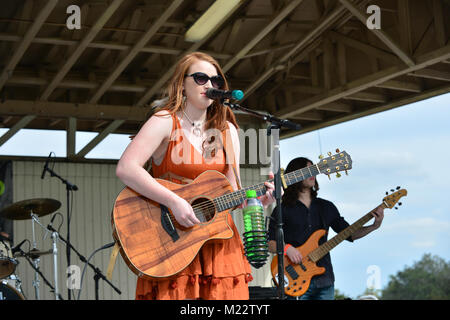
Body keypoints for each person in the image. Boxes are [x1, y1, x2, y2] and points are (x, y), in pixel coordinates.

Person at [115, 51, 276, 300]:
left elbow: (230, 195)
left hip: (220, 248)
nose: (210, 85)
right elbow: (127, 168)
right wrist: (173, 200)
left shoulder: (228, 131)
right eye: (201, 78)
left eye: (216, 81)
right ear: (182, 83)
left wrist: (257, 200)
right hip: (173, 245)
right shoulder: (164, 121)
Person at [268, 157, 384, 300]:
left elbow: (349, 234)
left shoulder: (326, 207)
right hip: (295, 280)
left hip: (325, 281)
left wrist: (374, 226)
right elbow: (270, 243)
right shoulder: (282, 209)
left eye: (313, 170)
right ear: (295, 174)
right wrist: (287, 248)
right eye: (307, 170)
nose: (312, 174)